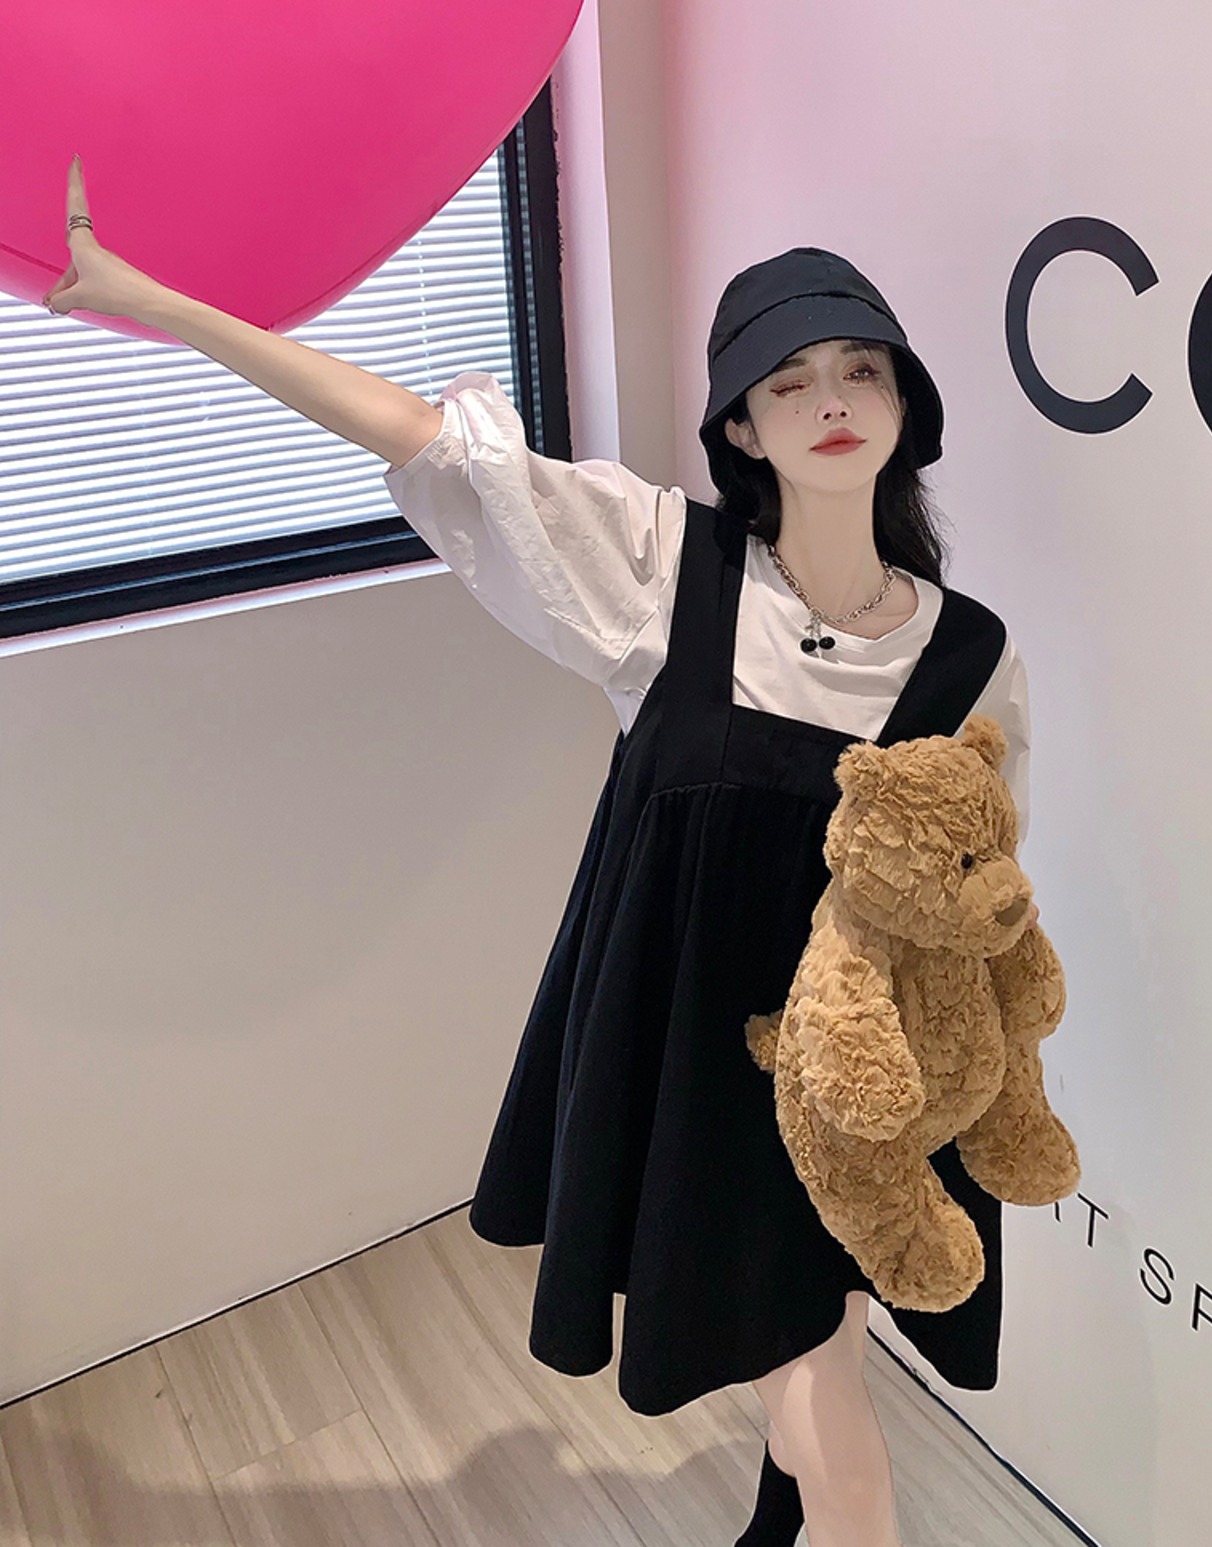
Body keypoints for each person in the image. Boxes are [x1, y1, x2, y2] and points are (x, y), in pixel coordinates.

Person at [42, 156, 1037, 1547]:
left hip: (869, 1060)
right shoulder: (662, 570)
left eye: (860, 371)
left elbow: (983, 885)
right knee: (814, 1371)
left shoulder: (974, 652)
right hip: (695, 1054)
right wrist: (159, 303)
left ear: (904, 407)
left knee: (828, 1326)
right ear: (741, 426)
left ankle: (787, 1515)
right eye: (790, 378)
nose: (830, 399)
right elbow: (426, 444)